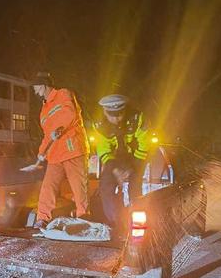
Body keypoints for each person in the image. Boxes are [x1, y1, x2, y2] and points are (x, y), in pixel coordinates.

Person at [32, 71, 90, 229]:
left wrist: (59, 128)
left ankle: (83, 216)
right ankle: (42, 218)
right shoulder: (43, 111)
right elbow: (46, 135)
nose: (34, 90)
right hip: (55, 155)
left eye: (36, 87)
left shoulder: (63, 94)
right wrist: (41, 152)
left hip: (73, 150)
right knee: (48, 187)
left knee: (78, 186)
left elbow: (69, 113)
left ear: (44, 85)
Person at [93, 94, 151, 226]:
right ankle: (114, 221)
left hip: (135, 156)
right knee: (106, 185)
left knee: (135, 187)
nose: (116, 119)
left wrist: (133, 169)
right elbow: (103, 149)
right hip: (114, 158)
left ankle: (137, 220)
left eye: (119, 114)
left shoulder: (138, 119)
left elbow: (144, 144)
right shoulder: (100, 125)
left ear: (125, 110)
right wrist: (115, 170)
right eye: (111, 115)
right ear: (104, 112)